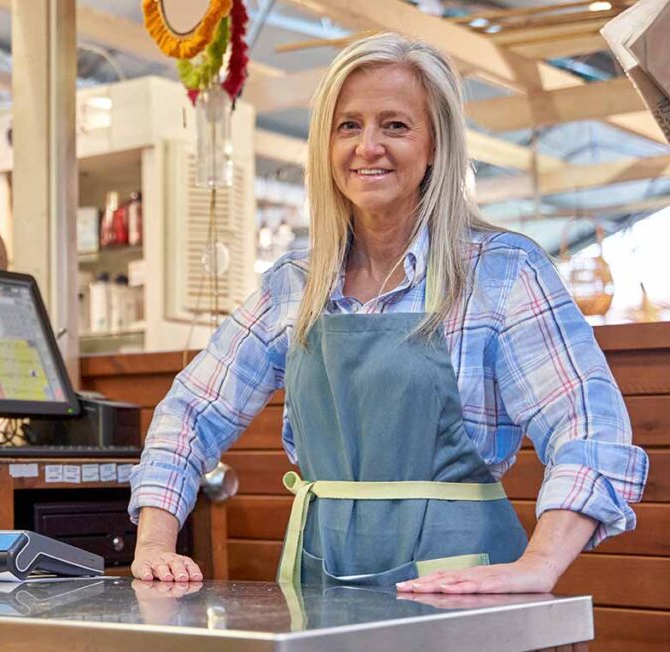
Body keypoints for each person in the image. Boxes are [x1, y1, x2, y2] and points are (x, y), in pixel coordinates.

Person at [128, 33, 648, 593]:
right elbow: (191, 411)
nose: (367, 146)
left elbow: (590, 429)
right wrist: (156, 542)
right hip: (319, 589)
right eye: (348, 125)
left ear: (436, 146)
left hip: (460, 594)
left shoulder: (502, 272)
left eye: (395, 125)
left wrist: (540, 565)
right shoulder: (293, 286)